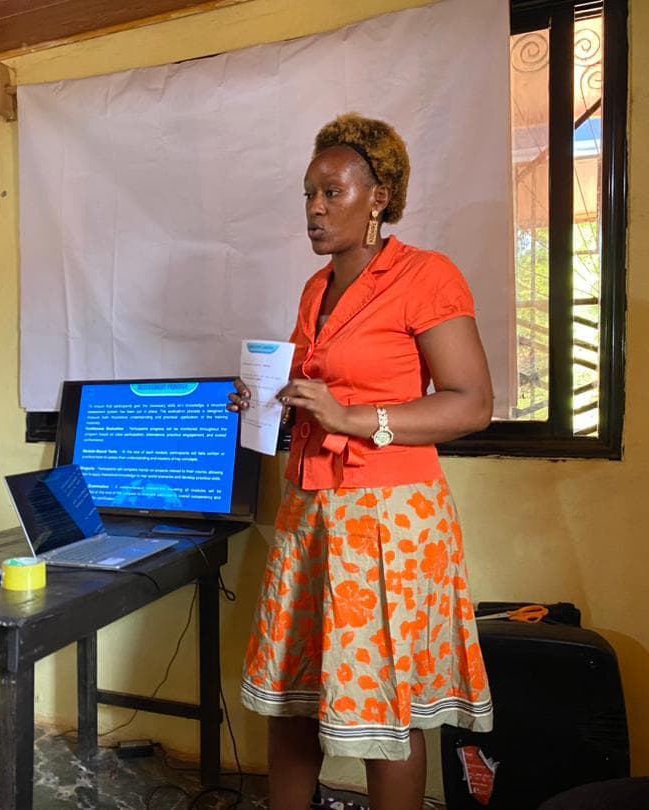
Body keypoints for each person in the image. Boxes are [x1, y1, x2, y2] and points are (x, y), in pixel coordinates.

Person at [229, 113, 494, 810]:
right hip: (308, 511)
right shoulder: (316, 291)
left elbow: (470, 404)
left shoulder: (425, 276)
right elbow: (318, 395)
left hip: (389, 523)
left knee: (387, 715)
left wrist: (355, 419)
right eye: (308, 194)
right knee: (291, 700)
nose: (314, 209)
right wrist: (269, 402)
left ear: (379, 196)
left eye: (331, 192)